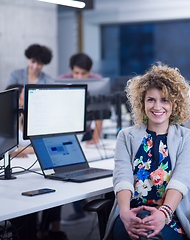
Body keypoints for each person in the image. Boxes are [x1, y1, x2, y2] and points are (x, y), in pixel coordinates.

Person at [104, 62, 190, 240]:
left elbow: (181, 181)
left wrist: (163, 214)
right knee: (140, 234)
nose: (157, 106)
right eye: (151, 99)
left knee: (149, 236)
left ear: (175, 104)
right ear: (142, 102)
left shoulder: (187, 137)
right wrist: (125, 213)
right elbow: (122, 177)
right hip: (131, 214)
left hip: (172, 217)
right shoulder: (125, 136)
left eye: (164, 100)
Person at [6, 84, 67, 240]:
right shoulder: (7, 120)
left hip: (30, 162)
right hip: (20, 165)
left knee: (54, 185)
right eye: (22, 96)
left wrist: (26, 149)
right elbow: (12, 149)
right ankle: (37, 232)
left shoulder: (29, 117)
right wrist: (33, 148)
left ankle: (51, 231)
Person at [59, 53, 103, 225]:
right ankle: (79, 209)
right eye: (76, 73)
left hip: (86, 130)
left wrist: (96, 137)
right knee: (69, 165)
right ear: (71, 71)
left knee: (87, 162)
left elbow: (100, 110)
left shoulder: (97, 81)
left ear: (90, 72)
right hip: (66, 130)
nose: (79, 77)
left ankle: (85, 204)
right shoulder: (61, 81)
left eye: (83, 74)